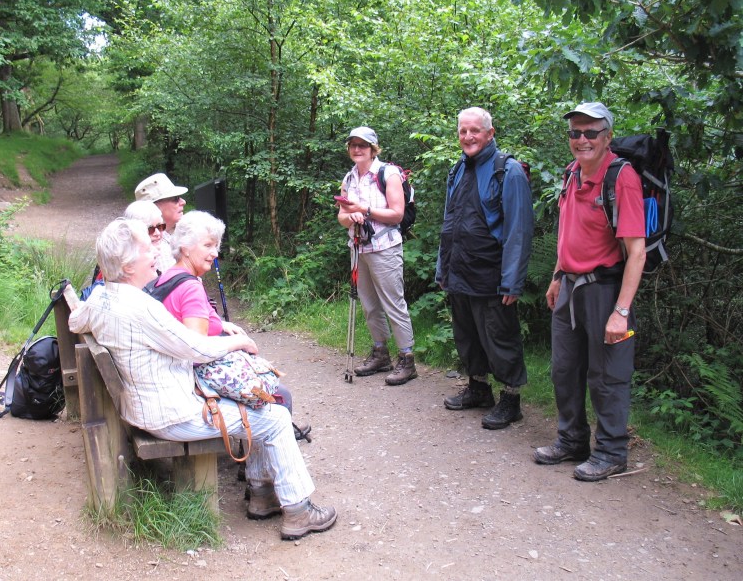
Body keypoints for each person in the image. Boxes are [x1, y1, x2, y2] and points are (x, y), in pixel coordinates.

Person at [66, 218, 337, 539]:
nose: (156, 251)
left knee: (256, 405)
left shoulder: (102, 298)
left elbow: (74, 320)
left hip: (142, 407)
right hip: (171, 414)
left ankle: (264, 496)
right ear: (127, 265)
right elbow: (196, 348)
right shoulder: (141, 308)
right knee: (275, 415)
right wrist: (239, 342)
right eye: (146, 247)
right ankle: (299, 511)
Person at [534, 102, 645, 481]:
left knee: (607, 375)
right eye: (575, 133)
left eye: (590, 132)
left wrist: (622, 311)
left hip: (605, 290)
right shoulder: (571, 173)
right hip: (569, 285)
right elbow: (568, 233)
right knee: (564, 369)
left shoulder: (622, 178)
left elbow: (636, 252)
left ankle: (612, 452)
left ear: (607, 136)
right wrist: (556, 276)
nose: (581, 140)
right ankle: (572, 440)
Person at [157, 210, 311, 441]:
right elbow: (197, 349)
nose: (214, 253)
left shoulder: (169, 276)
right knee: (279, 395)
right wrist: (240, 343)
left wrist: (221, 324)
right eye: (208, 245)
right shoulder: (190, 287)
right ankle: (262, 471)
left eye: (216, 245)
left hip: (175, 373)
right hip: (193, 381)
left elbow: (190, 321)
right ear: (186, 247)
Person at [437, 107, 534, 430]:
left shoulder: (507, 171)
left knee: (500, 338)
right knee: (467, 336)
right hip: (459, 270)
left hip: (491, 273)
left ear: (490, 133)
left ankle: (511, 400)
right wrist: (443, 267)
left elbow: (519, 230)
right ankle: (478, 389)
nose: (468, 137)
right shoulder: (457, 170)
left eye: (475, 131)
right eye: (463, 131)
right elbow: (448, 223)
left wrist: (512, 282)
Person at [336, 126, 418, 386]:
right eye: (353, 145)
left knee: (394, 303)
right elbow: (341, 217)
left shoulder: (388, 174)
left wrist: (366, 210)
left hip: (385, 247)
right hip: (359, 248)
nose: (357, 149)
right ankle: (381, 353)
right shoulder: (349, 179)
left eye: (363, 145)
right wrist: (352, 216)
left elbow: (397, 213)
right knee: (369, 305)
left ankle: (407, 359)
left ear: (373, 149)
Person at [134, 173, 187, 272]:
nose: (183, 202)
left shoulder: (162, 237)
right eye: (175, 199)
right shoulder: (159, 248)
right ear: (154, 207)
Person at [124, 200, 168, 270]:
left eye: (160, 226)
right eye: (150, 229)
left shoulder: (167, 250)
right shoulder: (128, 264)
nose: (157, 233)